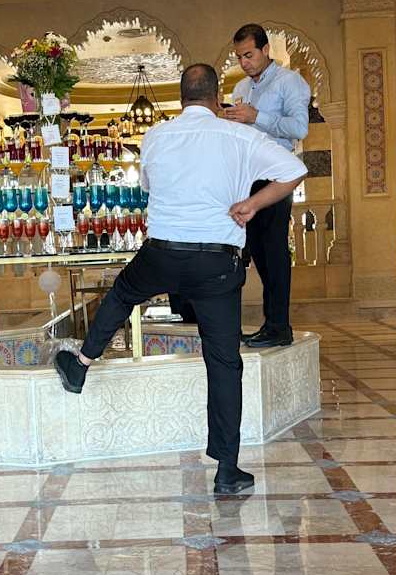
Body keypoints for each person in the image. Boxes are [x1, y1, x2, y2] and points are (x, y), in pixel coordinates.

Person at [54, 64, 306, 496]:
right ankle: (227, 470)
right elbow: (294, 169)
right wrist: (252, 203)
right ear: (217, 98)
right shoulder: (239, 136)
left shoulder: (156, 136)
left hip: (163, 253)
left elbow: (149, 186)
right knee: (224, 362)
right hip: (217, 262)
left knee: (122, 294)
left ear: (181, 98)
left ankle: (81, 364)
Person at [223, 24, 310, 348]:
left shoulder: (289, 82)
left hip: (277, 177)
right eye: (239, 57)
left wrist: (256, 116)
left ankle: (279, 326)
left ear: (265, 50)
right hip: (247, 177)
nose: (244, 62)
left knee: (273, 252)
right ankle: (268, 323)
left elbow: (299, 128)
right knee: (255, 252)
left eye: (248, 55)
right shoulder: (241, 87)